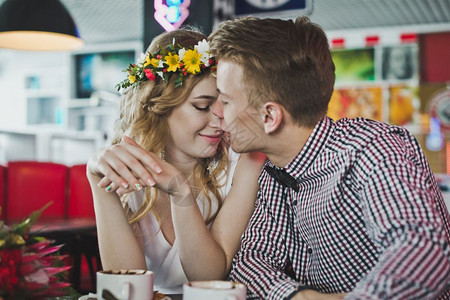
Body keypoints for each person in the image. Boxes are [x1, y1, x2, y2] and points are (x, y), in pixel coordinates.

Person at [208, 16, 450, 299]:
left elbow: (422, 250)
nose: (217, 112)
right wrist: (299, 296)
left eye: (225, 101)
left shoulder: (373, 149)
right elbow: (250, 261)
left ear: (270, 116)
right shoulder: (274, 169)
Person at [86, 28, 264, 294]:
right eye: (203, 106)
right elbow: (128, 288)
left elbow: (208, 275)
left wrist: (180, 192)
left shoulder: (245, 161)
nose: (221, 119)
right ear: (161, 105)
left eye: (225, 103)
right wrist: (99, 185)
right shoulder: (128, 165)